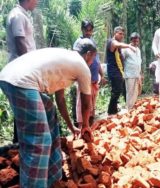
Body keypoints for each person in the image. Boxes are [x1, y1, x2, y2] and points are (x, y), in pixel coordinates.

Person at [0, 38, 96, 187]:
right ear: (89, 54)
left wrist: (71, 126)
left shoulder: (67, 61)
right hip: (21, 82)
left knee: (49, 108)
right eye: (94, 58)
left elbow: (60, 100)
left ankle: (53, 177)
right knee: (39, 140)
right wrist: (85, 126)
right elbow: (86, 103)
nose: (92, 62)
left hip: (11, 77)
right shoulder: (82, 66)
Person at [6, 0, 38, 143]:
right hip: (21, 71)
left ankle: (19, 145)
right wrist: (29, 68)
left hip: (23, 69)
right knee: (23, 110)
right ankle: (18, 146)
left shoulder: (21, 15)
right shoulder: (17, 15)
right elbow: (20, 44)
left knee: (23, 110)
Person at [74, 20, 106, 127]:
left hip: (93, 79)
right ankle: (81, 128)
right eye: (86, 30)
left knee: (92, 106)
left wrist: (102, 74)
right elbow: (77, 62)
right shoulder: (78, 43)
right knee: (82, 104)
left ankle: (90, 128)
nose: (88, 32)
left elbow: (96, 61)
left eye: (90, 30)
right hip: (84, 80)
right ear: (82, 29)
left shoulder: (93, 42)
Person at [106, 26, 136, 115]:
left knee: (122, 89)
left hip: (119, 70)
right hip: (113, 70)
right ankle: (111, 112)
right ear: (115, 33)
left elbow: (120, 56)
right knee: (116, 91)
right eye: (120, 34)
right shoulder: (112, 42)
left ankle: (128, 107)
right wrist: (129, 46)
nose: (122, 36)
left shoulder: (118, 44)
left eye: (123, 34)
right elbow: (117, 44)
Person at [123, 32, 142, 110]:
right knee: (130, 92)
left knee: (136, 92)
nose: (135, 43)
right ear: (131, 40)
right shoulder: (126, 49)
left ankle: (133, 108)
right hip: (129, 74)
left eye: (137, 41)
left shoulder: (138, 50)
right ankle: (129, 109)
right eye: (134, 41)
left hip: (137, 74)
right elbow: (122, 60)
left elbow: (139, 62)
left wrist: (141, 73)